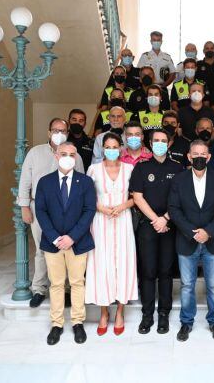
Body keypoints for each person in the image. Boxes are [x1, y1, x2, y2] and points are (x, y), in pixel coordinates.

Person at [168, 140, 214, 342]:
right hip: (187, 240)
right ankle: (186, 322)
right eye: (195, 154)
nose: (199, 157)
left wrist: (208, 232)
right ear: (188, 156)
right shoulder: (179, 180)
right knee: (187, 285)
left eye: (203, 154)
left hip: (212, 241)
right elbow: (174, 209)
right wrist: (192, 232)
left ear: (209, 157)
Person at [18, 118, 84, 308]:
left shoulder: (75, 156)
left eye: (63, 130)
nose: (59, 133)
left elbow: (80, 181)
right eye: (55, 130)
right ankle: (39, 288)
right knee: (42, 250)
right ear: (49, 132)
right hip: (39, 209)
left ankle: (66, 289)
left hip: (67, 210)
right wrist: (24, 207)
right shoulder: (35, 153)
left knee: (66, 249)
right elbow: (25, 181)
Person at [34, 142, 96, 345]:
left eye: (72, 154)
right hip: (53, 243)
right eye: (63, 154)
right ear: (56, 156)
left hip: (77, 242)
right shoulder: (45, 182)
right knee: (57, 283)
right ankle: (57, 324)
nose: (68, 157)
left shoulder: (85, 182)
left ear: (76, 157)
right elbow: (41, 211)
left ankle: (78, 322)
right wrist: (54, 237)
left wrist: (72, 237)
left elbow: (89, 210)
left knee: (78, 282)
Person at [130, 129, 183, 334]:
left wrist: (166, 219)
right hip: (148, 226)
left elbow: (180, 199)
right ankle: (147, 315)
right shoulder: (141, 168)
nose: (160, 143)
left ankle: (163, 315)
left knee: (166, 271)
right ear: (150, 144)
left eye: (164, 140)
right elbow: (137, 197)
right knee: (148, 271)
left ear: (169, 144)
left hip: (170, 226)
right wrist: (156, 219)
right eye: (156, 141)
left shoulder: (178, 169)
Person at [85, 133, 138, 336]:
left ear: (121, 148)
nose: (111, 150)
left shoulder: (129, 169)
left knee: (123, 265)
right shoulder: (94, 169)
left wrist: (123, 205)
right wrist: (102, 209)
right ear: (102, 149)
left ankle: (120, 312)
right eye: (108, 146)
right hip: (101, 222)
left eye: (115, 146)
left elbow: (136, 197)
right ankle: (104, 312)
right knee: (102, 265)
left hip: (123, 221)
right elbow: (87, 197)